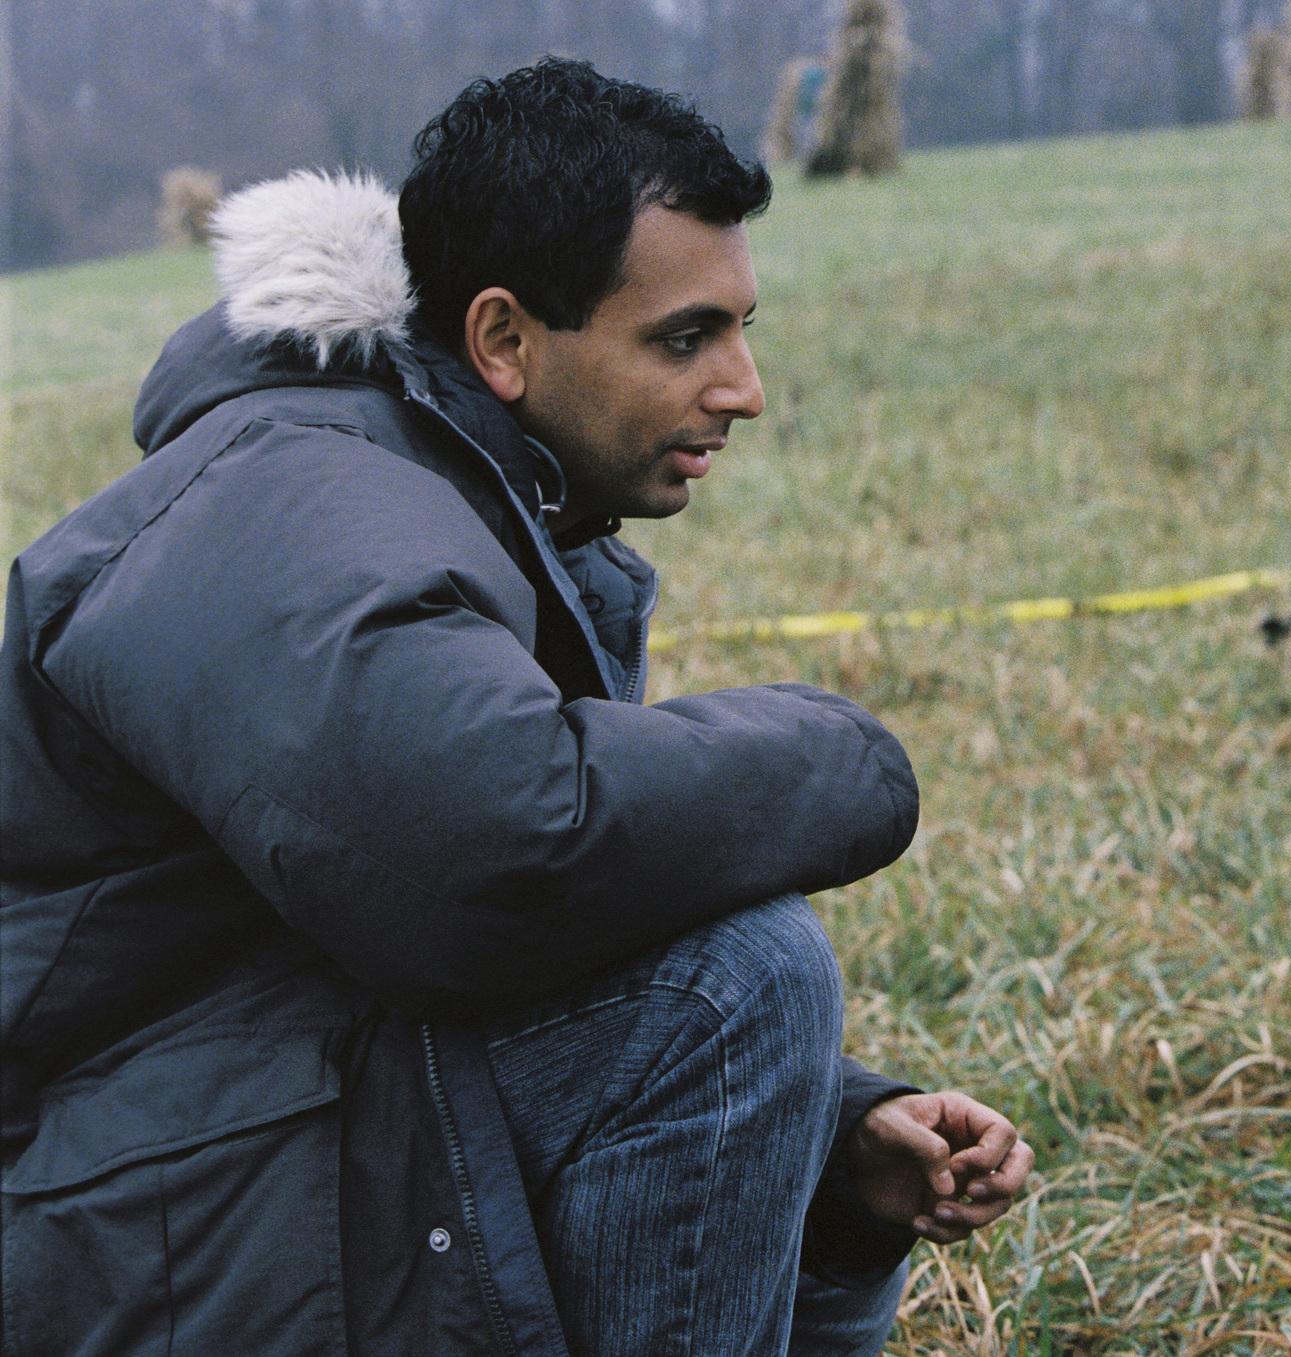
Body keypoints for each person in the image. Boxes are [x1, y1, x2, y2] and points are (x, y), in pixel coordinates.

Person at [0, 59, 1030, 1356]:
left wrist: (829, 1131)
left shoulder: (433, 480)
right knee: (731, 985)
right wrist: (857, 758)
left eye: (741, 328)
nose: (743, 388)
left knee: (728, 989)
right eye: (684, 339)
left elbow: (439, 953)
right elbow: (496, 863)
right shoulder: (299, 502)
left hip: (189, 1157)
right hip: (92, 1229)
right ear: (501, 341)